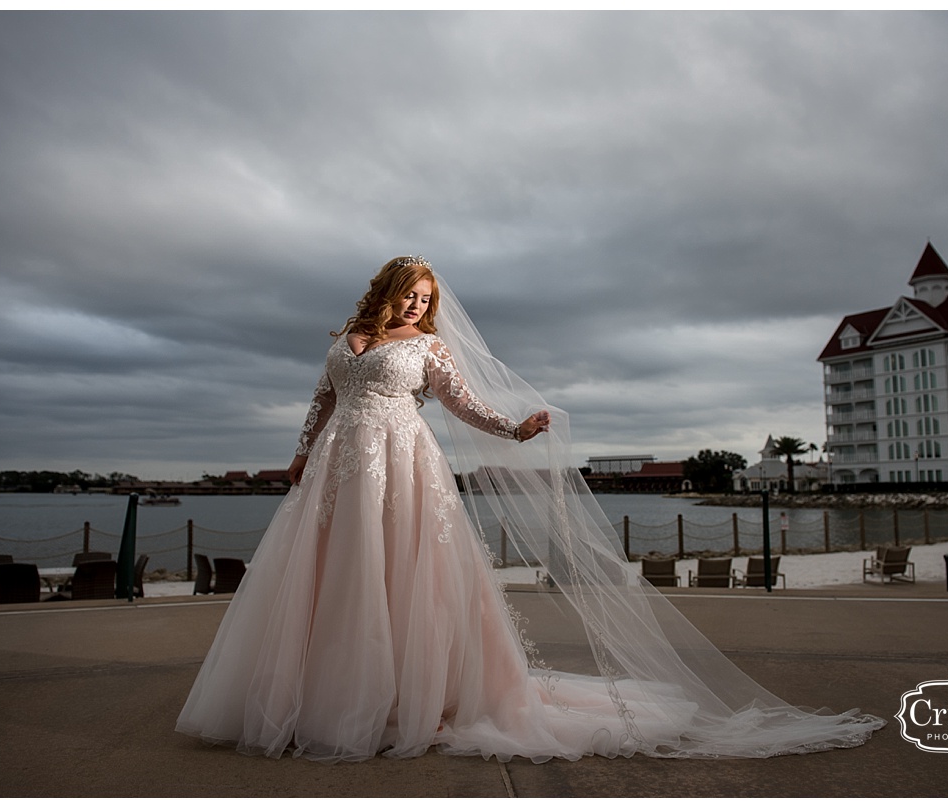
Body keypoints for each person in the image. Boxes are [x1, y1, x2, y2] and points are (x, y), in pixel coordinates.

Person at [176, 256, 884, 763]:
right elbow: (321, 401)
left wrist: (514, 430)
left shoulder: (428, 348)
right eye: (412, 295)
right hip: (338, 464)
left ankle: (402, 695)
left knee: (401, 572)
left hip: (404, 460)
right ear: (388, 291)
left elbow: (462, 404)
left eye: (428, 299)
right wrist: (300, 453)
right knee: (334, 573)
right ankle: (322, 691)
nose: (421, 306)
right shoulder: (344, 342)